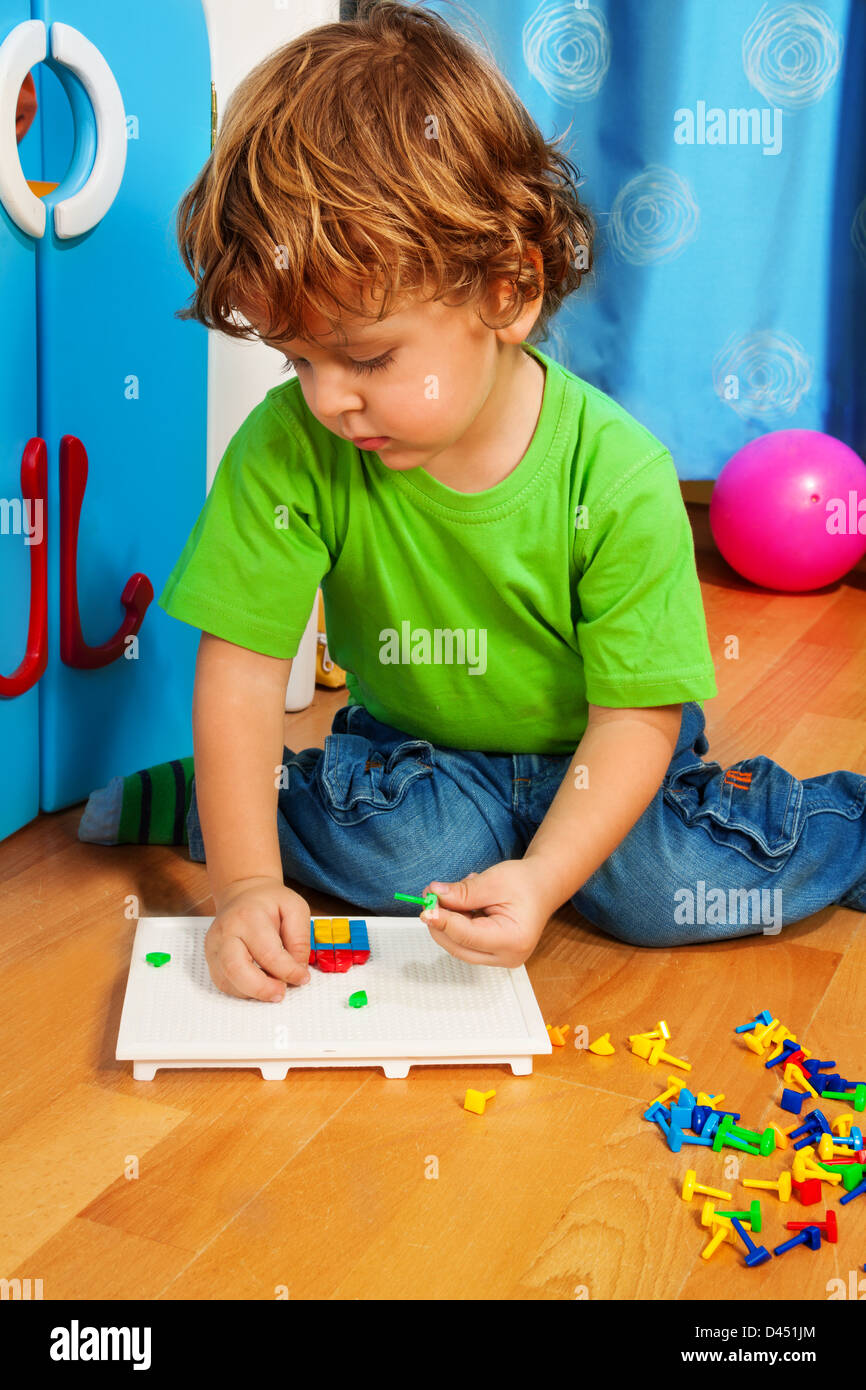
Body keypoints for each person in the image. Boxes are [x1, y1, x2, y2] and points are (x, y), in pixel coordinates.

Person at [79, 1, 866, 1002]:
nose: (326, 397)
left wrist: (543, 880)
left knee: (656, 887)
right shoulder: (290, 444)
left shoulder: (614, 473)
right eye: (295, 358)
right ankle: (210, 805)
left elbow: (635, 718)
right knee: (400, 862)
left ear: (508, 291)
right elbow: (238, 675)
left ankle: (843, 825)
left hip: (606, 757)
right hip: (422, 765)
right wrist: (242, 885)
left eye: (364, 356)